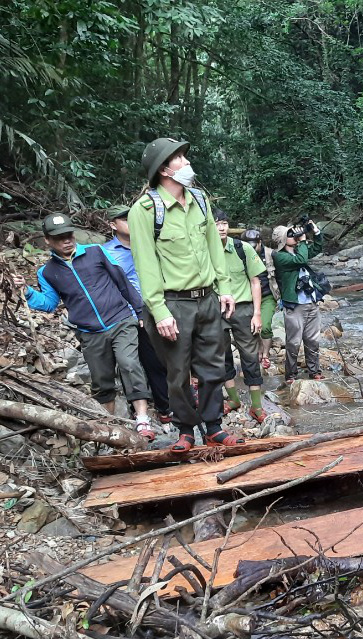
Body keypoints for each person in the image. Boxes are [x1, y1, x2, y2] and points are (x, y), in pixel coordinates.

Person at [126, 137, 244, 452]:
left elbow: (213, 249)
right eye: (179, 158)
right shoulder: (145, 210)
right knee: (177, 372)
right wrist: (159, 310)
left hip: (207, 299)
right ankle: (186, 430)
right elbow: (145, 264)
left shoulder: (200, 199)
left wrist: (226, 288)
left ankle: (214, 428)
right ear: (163, 169)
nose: (187, 162)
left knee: (213, 366)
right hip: (172, 303)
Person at [18, 213, 156, 440]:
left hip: (120, 319)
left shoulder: (95, 252)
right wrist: (27, 291)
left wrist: (138, 310)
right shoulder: (48, 272)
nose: (67, 240)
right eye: (59, 237)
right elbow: (49, 304)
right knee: (101, 380)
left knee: (129, 363)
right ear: (47, 241)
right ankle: (109, 427)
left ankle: (142, 420)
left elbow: (121, 280)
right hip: (90, 332)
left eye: (69, 235)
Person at [102, 204, 172, 424]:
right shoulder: (106, 253)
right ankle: (152, 408)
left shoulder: (150, 244)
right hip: (129, 313)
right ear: (113, 225)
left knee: (164, 356)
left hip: (160, 306)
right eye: (124, 219)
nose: (130, 222)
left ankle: (167, 403)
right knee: (136, 361)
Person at [214, 210, 268, 422]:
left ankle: (257, 405)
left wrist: (257, 314)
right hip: (216, 310)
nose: (222, 228)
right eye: (217, 224)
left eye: (225, 223)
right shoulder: (204, 250)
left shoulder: (242, 248)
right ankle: (233, 399)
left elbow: (256, 282)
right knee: (222, 356)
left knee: (250, 355)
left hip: (243, 308)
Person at [270, 221, 324, 383]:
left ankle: (314, 371)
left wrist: (315, 232)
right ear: (282, 240)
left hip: (311, 302)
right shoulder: (280, 257)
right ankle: (291, 374)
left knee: (313, 340)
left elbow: (317, 248)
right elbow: (301, 259)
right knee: (293, 342)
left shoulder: (298, 251)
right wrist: (302, 240)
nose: (293, 236)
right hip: (294, 305)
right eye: (290, 235)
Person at [240, 228, 278, 369]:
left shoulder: (270, 254)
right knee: (251, 329)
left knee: (266, 326)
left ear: (260, 242)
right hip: (247, 297)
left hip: (267, 296)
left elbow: (282, 272)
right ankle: (256, 351)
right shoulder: (239, 254)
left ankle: (266, 354)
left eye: (254, 245)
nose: (251, 248)